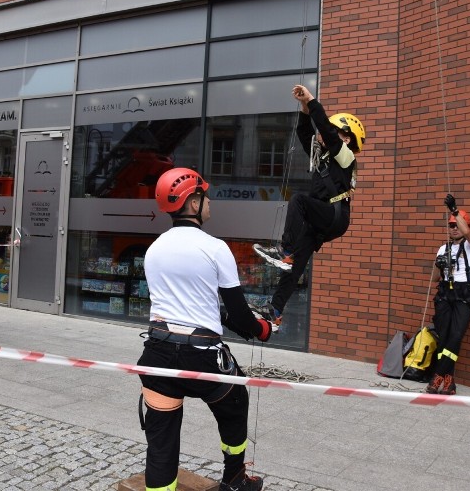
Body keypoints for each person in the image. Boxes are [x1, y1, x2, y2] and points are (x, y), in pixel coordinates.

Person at [137, 167, 278, 491]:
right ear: (193, 201)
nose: (210, 201)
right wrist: (262, 330)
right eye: (205, 195)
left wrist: (225, 317)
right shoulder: (215, 248)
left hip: (157, 353)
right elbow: (242, 316)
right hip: (202, 357)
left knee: (161, 444)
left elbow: (191, 305)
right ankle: (234, 479)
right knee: (236, 401)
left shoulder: (154, 249)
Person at [256, 84, 364, 323]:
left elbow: (323, 126)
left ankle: (284, 249)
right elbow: (304, 134)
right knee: (295, 265)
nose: (326, 135)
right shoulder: (322, 157)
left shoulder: (346, 156)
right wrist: (304, 109)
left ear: (346, 138)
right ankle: (274, 311)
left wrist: (312, 100)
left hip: (335, 214)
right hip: (321, 219)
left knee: (298, 201)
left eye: (335, 133)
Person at [426, 194, 470, 395]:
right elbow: (434, 279)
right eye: (451, 225)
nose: (454, 228)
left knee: (456, 337)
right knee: (444, 338)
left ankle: (438, 375)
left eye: (457, 224)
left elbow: (467, 233)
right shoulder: (443, 248)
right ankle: (449, 381)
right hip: (444, 295)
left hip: (463, 294)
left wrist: (454, 209)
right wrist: (438, 265)